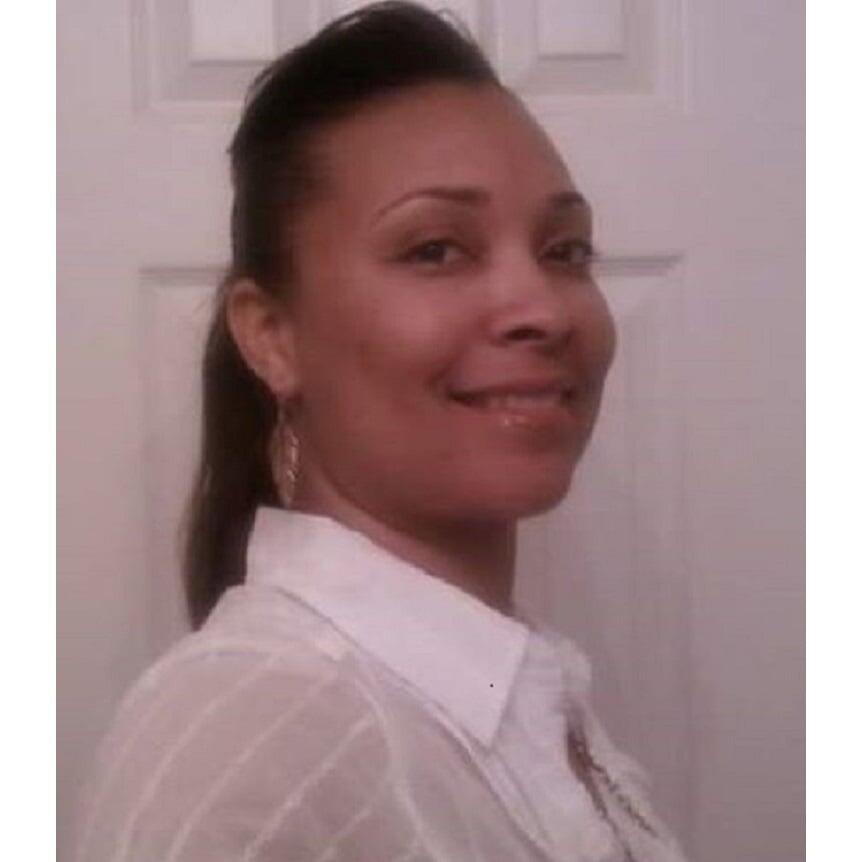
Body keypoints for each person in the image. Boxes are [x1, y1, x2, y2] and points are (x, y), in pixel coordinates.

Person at [76, 4, 687, 860]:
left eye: (566, 250)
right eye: (435, 249)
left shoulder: (512, 693)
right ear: (272, 335)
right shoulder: (249, 738)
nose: (545, 309)